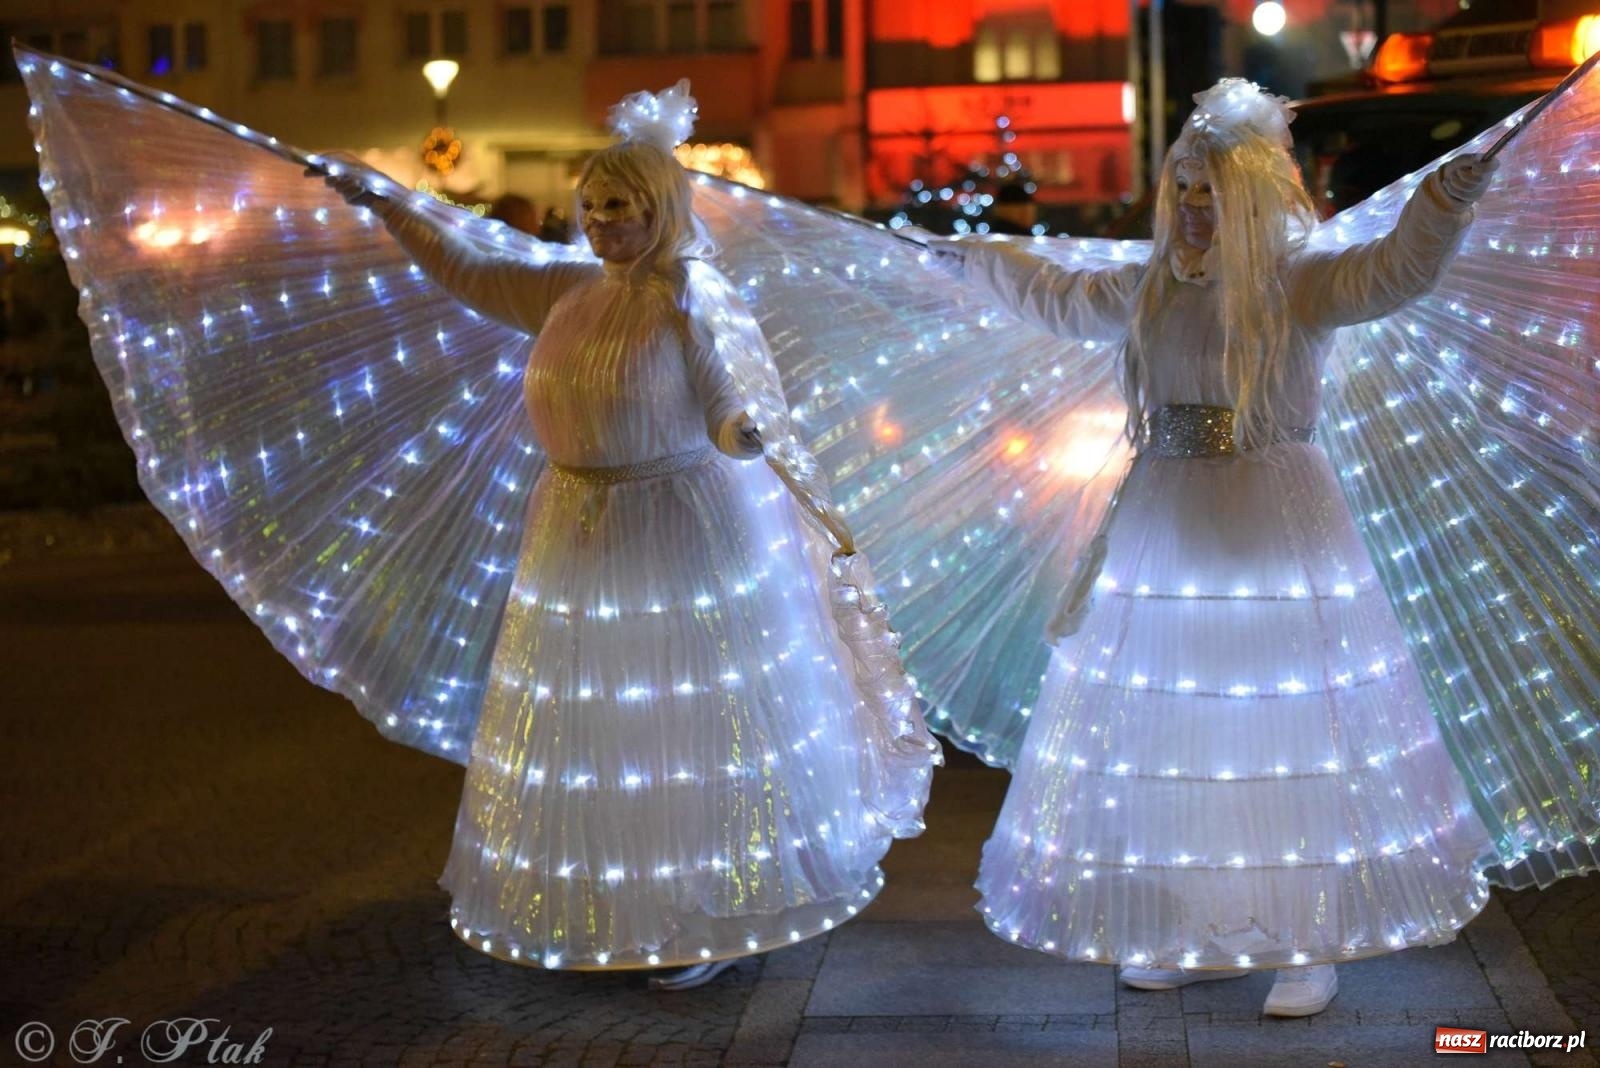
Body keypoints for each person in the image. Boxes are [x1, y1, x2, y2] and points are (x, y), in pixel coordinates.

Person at [934, 79, 1501, 1017]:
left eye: (1212, 193)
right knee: (1177, 731)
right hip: (1167, 516)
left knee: (1281, 731)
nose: (1195, 210)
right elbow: (1062, 297)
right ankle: (1188, 924)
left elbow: (1392, 272)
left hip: (1272, 516)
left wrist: (1443, 203)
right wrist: (973, 260)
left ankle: (1302, 942)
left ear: (1254, 198)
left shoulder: (1301, 280)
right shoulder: (1155, 286)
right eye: (1185, 191)